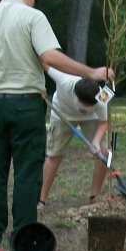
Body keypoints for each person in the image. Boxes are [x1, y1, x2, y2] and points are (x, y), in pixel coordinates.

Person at [0, 0, 112, 249]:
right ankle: (24, 237)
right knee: (27, 172)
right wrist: (91, 72)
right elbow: (49, 57)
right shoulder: (33, 17)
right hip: (26, 106)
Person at [39, 68, 109, 207]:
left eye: (92, 104)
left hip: (92, 119)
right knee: (54, 156)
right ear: (77, 97)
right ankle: (41, 200)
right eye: (87, 105)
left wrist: (95, 142)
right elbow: (45, 63)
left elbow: (103, 122)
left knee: (103, 153)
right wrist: (38, 87)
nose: (90, 106)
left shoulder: (102, 96)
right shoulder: (64, 81)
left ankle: (94, 196)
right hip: (62, 114)